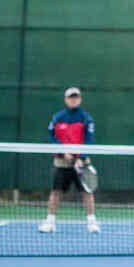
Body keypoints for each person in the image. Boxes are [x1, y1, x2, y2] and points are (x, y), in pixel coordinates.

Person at [38, 87, 99, 234]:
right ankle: (50, 222)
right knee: (56, 192)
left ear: (80, 99)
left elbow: (88, 140)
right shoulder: (57, 117)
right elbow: (52, 137)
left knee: (87, 192)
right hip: (61, 162)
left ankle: (92, 223)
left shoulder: (86, 118)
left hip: (81, 163)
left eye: (76, 97)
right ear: (66, 99)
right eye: (71, 97)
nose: (74, 99)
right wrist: (62, 151)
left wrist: (81, 158)